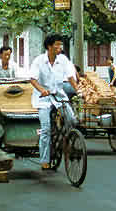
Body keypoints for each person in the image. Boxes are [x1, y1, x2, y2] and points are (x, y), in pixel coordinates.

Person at [29, 34, 80, 170]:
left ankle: (70, 143)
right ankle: (44, 160)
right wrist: (41, 90)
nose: (59, 47)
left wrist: (79, 91)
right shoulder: (39, 61)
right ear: (49, 47)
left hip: (59, 96)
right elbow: (33, 79)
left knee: (72, 120)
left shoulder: (63, 59)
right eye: (57, 44)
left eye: (60, 44)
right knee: (45, 129)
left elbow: (70, 77)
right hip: (43, 99)